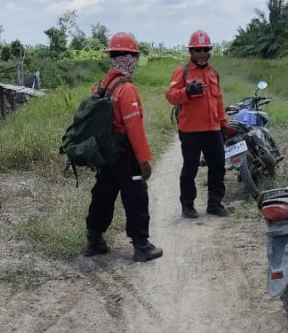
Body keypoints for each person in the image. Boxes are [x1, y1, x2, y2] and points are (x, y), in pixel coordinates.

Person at [82, 32, 164, 263]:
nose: (134, 62)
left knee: (103, 195)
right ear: (128, 58)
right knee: (136, 198)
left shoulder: (99, 86)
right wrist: (144, 160)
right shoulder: (126, 89)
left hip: (105, 153)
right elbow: (134, 128)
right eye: (133, 57)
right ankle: (141, 246)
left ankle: (93, 241)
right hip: (125, 154)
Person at [166, 30, 230, 218]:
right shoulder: (182, 71)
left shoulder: (213, 73)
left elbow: (218, 100)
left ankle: (215, 203)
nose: (202, 53)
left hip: (213, 129)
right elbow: (170, 96)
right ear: (191, 52)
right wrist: (187, 91)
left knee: (218, 166)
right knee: (190, 169)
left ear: (209, 50)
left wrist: (223, 124)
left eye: (205, 49)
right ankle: (187, 205)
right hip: (190, 131)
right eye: (197, 49)